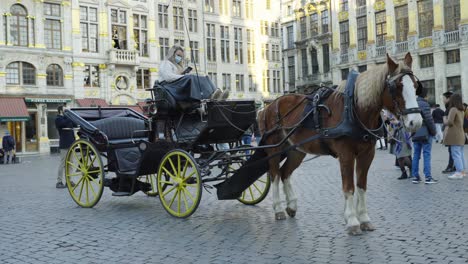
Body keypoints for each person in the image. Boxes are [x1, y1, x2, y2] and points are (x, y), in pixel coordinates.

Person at [158, 44, 228, 101]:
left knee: (204, 77)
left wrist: (182, 74)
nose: (179, 58)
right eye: (178, 55)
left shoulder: (176, 66)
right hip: (170, 88)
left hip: (176, 85)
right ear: (172, 54)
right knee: (192, 77)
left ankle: (216, 93)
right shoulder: (166, 63)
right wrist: (183, 76)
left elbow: (175, 77)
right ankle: (210, 96)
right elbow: (168, 77)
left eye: (181, 57)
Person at [411, 86, 437, 184]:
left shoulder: (413, 104)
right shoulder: (424, 104)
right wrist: (434, 132)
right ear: (425, 95)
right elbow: (429, 120)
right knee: (426, 154)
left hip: (415, 132)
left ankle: (415, 177)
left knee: (416, 155)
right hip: (426, 133)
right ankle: (428, 177)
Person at [443, 94, 466, 180]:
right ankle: (463, 172)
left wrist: (444, 119)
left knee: (455, 154)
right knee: (460, 154)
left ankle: (459, 172)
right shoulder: (461, 110)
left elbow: (450, 122)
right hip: (461, 134)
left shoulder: (453, 109)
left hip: (455, 136)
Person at [55, 105, 76, 188]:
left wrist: (71, 116)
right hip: (64, 144)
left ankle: (69, 180)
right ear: (61, 111)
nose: (67, 112)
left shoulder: (68, 119)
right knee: (63, 163)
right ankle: (59, 181)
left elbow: (74, 124)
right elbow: (63, 123)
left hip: (71, 143)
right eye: (65, 110)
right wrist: (68, 116)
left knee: (70, 164)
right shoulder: (58, 119)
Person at [442, 91, 455, 174]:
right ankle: (454, 166)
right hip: (453, 132)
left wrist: (444, 119)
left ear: (448, 98)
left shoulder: (450, 108)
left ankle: (450, 167)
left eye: (444, 98)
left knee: (452, 150)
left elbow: (448, 121)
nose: (443, 100)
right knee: (453, 150)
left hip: (451, 132)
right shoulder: (453, 107)